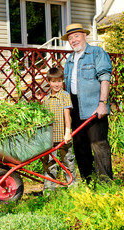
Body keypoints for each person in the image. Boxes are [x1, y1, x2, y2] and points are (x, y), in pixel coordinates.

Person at [61, 23, 113, 183]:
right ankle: (89, 183)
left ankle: (106, 185)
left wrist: (102, 103)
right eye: (70, 38)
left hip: (93, 106)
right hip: (75, 106)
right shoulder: (69, 59)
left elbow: (105, 78)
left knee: (99, 146)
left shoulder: (96, 53)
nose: (73, 40)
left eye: (76, 36)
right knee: (80, 146)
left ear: (84, 36)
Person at [42, 67, 77, 193]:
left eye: (59, 81)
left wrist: (68, 132)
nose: (56, 84)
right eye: (53, 81)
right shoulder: (46, 100)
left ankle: (73, 189)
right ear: (49, 82)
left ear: (62, 81)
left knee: (68, 162)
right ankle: (48, 192)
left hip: (63, 137)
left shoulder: (65, 96)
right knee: (49, 165)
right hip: (49, 140)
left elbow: (67, 116)